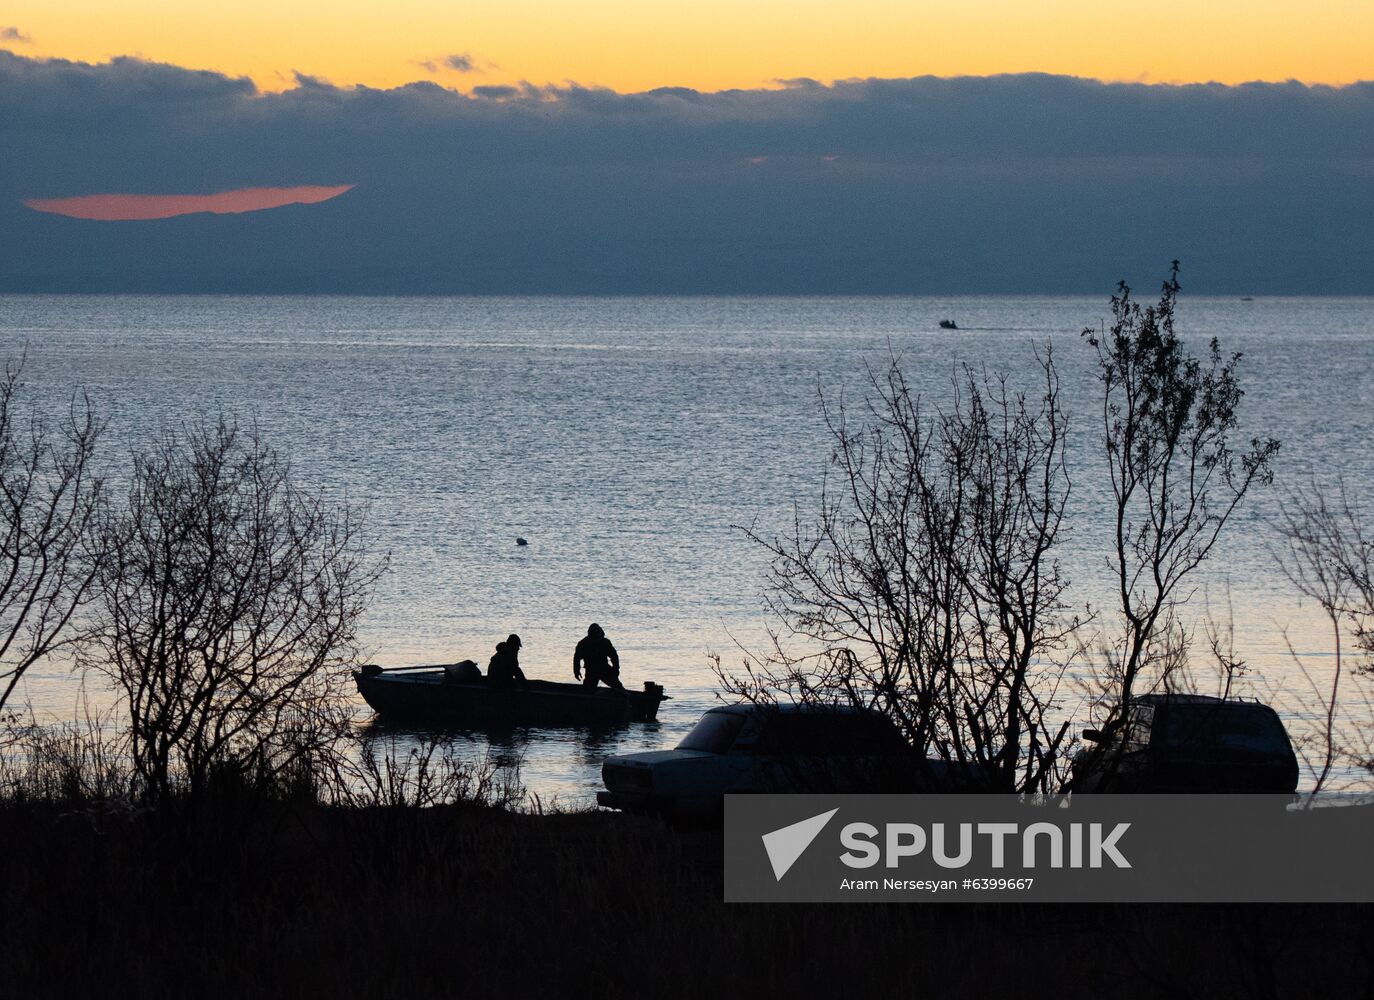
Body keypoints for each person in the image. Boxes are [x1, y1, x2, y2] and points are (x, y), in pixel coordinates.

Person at [573, 623, 624, 691]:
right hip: (592, 671)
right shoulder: (583, 643)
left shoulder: (604, 642)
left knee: (618, 688)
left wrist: (616, 668)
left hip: (604, 669)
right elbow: (577, 658)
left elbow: (614, 656)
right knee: (588, 690)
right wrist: (576, 671)